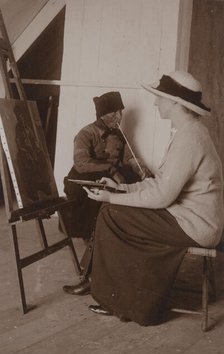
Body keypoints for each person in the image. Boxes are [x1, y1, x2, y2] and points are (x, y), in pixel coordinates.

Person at [82, 70, 224, 326]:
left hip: (196, 225)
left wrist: (113, 199)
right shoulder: (188, 132)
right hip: (188, 218)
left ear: (177, 104)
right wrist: (120, 189)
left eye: (161, 98)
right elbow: (162, 184)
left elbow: (161, 197)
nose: (157, 102)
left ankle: (125, 303)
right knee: (113, 212)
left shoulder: (190, 138)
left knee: (112, 214)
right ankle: (128, 300)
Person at [62, 91, 151, 295]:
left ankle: (113, 262)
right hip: (88, 182)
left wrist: (142, 170)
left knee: (134, 193)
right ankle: (92, 272)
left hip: (112, 181)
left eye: (120, 111)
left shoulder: (119, 134)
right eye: (114, 112)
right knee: (94, 212)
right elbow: (82, 163)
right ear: (103, 114)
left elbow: (131, 158)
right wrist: (111, 171)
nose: (119, 117)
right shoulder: (85, 133)